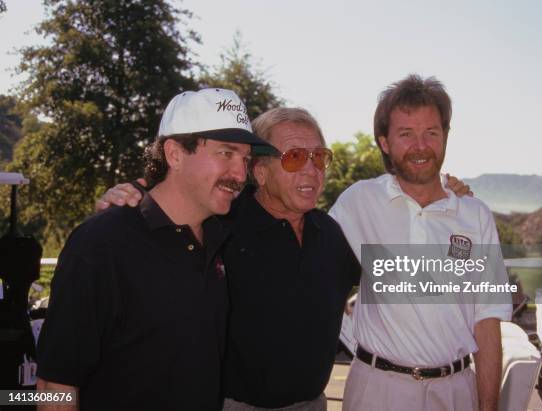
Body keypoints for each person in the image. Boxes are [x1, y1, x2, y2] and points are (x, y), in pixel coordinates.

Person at [98, 106, 471, 410]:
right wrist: (130, 193)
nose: (312, 169)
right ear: (259, 170)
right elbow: (169, 209)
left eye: (319, 157)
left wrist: (446, 196)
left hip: (314, 405)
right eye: (294, 157)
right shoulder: (220, 224)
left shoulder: (335, 233)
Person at [35, 88, 275, 411]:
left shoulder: (221, 238)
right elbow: (54, 387)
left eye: (246, 159)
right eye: (226, 153)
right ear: (174, 154)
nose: (240, 174)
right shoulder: (102, 245)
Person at [329, 74, 512, 411]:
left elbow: (487, 324)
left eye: (431, 132)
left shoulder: (474, 215)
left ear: (445, 136)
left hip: (456, 393)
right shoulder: (359, 201)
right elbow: (312, 266)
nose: (420, 146)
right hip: (375, 391)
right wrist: (349, 335)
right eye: (406, 134)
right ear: (384, 142)